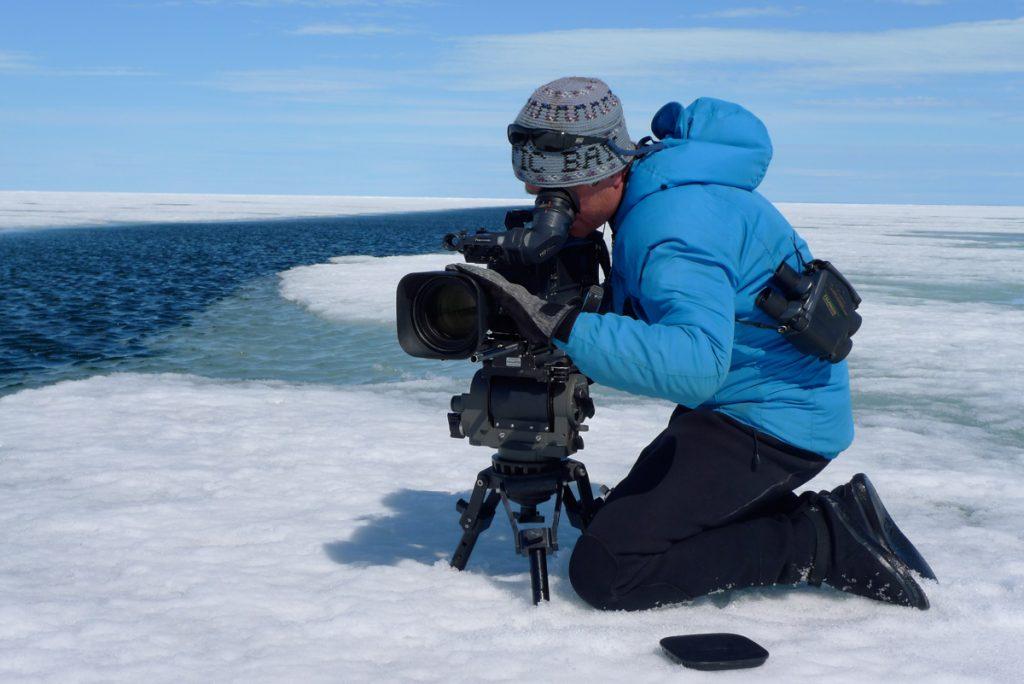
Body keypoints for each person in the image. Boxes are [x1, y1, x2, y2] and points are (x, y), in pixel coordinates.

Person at [458, 76, 936, 611]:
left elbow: (695, 363)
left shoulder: (672, 228)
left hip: (775, 424)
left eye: (554, 190)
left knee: (610, 571)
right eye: (533, 185)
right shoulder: (664, 190)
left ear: (607, 170)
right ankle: (810, 518)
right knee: (618, 523)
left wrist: (562, 325)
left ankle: (823, 539)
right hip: (740, 405)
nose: (539, 199)